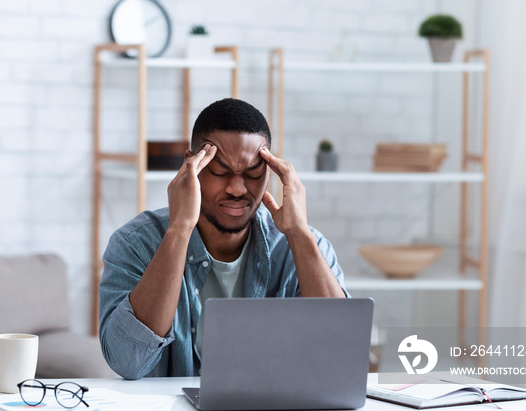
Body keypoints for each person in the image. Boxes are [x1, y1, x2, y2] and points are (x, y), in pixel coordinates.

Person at [99, 98, 349, 380]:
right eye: (219, 172)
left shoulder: (303, 245)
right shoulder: (135, 243)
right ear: (190, 167)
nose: (237, 188)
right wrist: (180, 229)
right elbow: (126, 362)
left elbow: (340, 355)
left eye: (253, 174)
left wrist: (299, 234)